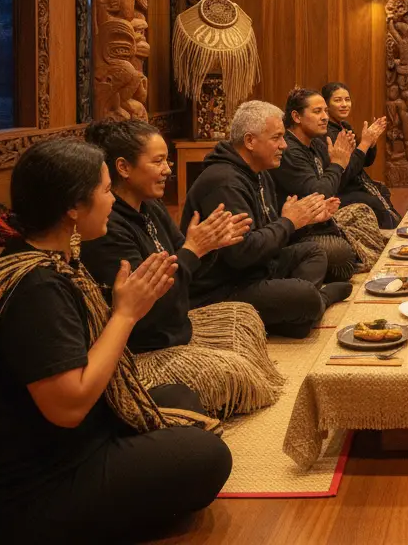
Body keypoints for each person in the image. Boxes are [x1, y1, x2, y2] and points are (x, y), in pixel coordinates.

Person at [0, 139, 231, 541]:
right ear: (72, 208)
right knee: (208, 457)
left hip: (72, 440)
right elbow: (69, 407)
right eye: (104, 191)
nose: (112, 201)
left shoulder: (46, 256)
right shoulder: (36, 286)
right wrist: (125, 314)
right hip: (40, 483)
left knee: (181, 399)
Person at [80, 118, 285, 416]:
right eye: (159, 161)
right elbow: (148, 306)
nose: (168, 169)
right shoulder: (108, 228)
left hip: (177, 322)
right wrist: (193, 250)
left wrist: (210, 246)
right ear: (124, 168)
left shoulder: (149, 205)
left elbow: (189, 263)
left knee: (244, 316)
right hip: (145, 346)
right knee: (230, 373)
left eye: (168, 160)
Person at [181, 100, 353, 338]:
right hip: (224, 287)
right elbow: (242, 254)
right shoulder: (224, 182)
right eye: (277, 138)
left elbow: (272, 235)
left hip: (257, 269)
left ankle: (297, 315)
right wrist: (289, 221)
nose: (284, 145)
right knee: (305, 295)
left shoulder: (260, 174)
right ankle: (312, 304)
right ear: (250, 141)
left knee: (314, 252)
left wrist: (305, 221)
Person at [274, 87, 388, 268]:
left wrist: (357, 151)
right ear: (296, 117)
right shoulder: (289, 151)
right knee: (340, 253)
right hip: (301, 229)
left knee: (363, 210)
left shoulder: (317, 143)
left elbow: (335, 180)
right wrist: (339, 163)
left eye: (326, 111)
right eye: (317, 111)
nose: (325, 117)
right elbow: (321, 192)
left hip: (325, 214)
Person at [322, 81, 400, 229]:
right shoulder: (327, 134)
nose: (344, 104)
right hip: (340, 187)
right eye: (338, 100)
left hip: (353, 181)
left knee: (381, 190)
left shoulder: (345, 126)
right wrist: (364, 143)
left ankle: (399, 231)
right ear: (327, 105)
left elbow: (364, 162)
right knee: (373, 200)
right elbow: (348, 170)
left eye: (347, 99)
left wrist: (371, 143)